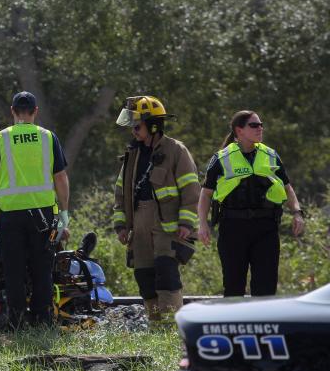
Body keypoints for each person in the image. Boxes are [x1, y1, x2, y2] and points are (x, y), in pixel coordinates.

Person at [0, 92, 69, 329]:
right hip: (43, 214)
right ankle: (43, 320)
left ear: (12, 110)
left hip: (11, 215)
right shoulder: (48, 137)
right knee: (42, 268)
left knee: (14, 269)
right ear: (35, 111)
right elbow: (60, 178)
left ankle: (17, 321)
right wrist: (64, 213)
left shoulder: (0, 138)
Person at [196, 110, 305, 296]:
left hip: (266, 229)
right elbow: (206, 194)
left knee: (266, 288)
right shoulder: (221, 158)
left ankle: (263, 324)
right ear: (239, 131)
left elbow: (288, 188)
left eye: (261, 125)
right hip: (233, 229)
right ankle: (233, 324)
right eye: (254, 125)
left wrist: (297, 212)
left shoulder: (271, 155)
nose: (260, 128)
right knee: (233, 286)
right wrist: (203, 224)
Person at [112, 95, 199, 324]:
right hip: (139, 224)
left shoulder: (176, 151)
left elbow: (191, 190)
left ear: (153, 125)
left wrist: (186, 223)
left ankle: (172, 327)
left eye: (137, 126)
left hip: (167, 227)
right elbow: (121, 192)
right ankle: (156, 325)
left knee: (166, 275)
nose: (133, 131)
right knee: (144, 276)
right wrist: (121, 225)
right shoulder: (133, 154)